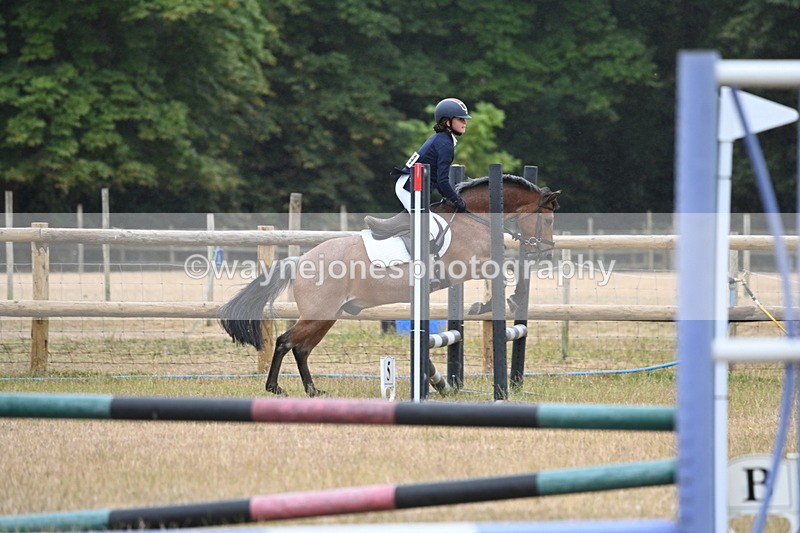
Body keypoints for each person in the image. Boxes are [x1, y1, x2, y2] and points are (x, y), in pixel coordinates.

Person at [365, 98, 471, 237]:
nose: (465, 123)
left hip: (413, 185)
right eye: (461, 119)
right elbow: (443, 180)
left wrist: (449, 197)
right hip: (411, 187)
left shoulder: (442, 139)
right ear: (447, 122)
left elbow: (439, 179)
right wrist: (457, 201)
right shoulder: (445, 144)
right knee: (431, 230)